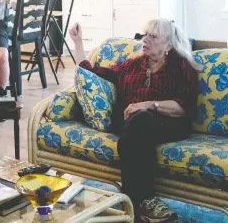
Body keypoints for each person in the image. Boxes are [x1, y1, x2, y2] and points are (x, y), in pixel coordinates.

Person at [69, 19, 200, 223]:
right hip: (131, 125)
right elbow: (91, 72)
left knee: (141, 120)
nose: (145, 39)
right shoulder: (132, 64)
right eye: (145, 34)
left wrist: (149, 104)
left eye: (153, 36)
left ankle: (132, 202)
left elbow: (183, 107)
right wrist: (77, 43)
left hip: (167, 123)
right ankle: (144, 202)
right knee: (136, 126)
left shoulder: (181, 67)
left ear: (168, 45)